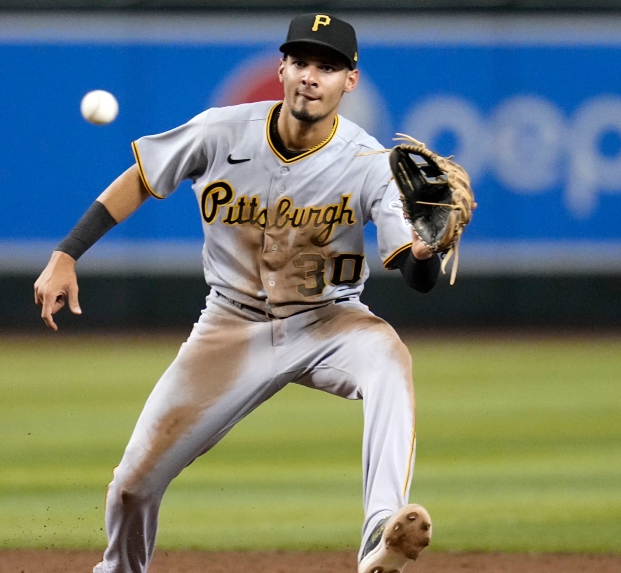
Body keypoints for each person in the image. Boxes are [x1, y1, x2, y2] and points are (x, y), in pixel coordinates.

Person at [34, 13, 442, 573]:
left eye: (327, 67)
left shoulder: (371, 164)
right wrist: (66, 254)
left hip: (328, 321)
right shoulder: (222, 130)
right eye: (301, 63)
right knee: (132, 488)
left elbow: (415, 275)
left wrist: (429, 250)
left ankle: (380, 533)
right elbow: (141, 177)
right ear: (282, 69)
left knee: (389, 358)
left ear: (351, 80)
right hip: (229, 325)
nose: (310, 77)